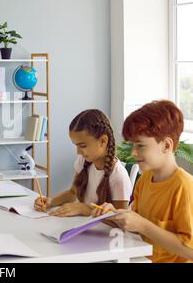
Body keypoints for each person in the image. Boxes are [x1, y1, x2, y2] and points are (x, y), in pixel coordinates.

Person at [92, 100, 193, 262]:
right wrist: (114, 215)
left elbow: (190, 250)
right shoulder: (145, 180)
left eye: (140, 146)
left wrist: (143, 225)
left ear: (166, 146)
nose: (133, 152)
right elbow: (136, 228)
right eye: (132, 145)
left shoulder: (185, 187)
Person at [34, 109, 132, 216]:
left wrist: (83, 209)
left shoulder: (118, 176)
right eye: (76, 145)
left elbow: (120, 218)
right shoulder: (83, 161)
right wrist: (51, 201)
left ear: (103, 141)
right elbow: (72, 193)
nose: (78, 152)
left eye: (83, 146)